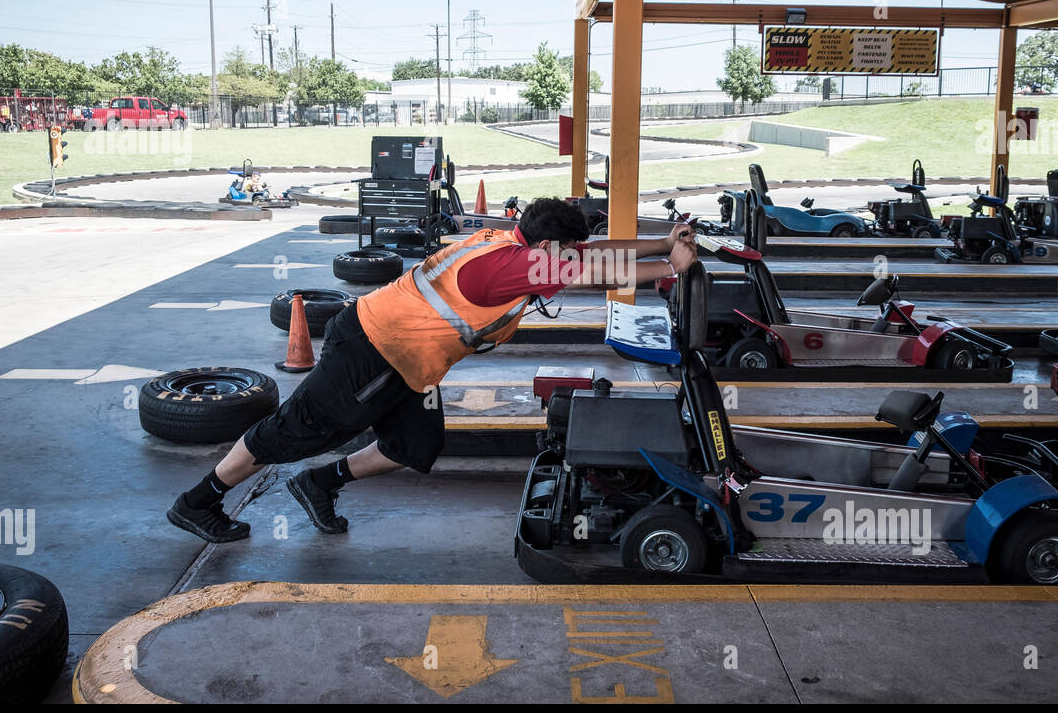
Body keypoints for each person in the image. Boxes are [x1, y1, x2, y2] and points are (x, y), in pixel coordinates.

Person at [167, 197, 698, 542]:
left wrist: (662, 242)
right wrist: (665, 269)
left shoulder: (515, 244)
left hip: (408, 361)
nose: (570, 255)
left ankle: (319, 483)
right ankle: (198, 502)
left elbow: (592, 253)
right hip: (375, 349)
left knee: (413, 445)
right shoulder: (504, 268)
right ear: (542, 246)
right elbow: (590, 271)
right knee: (294, 430)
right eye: (563, 250)